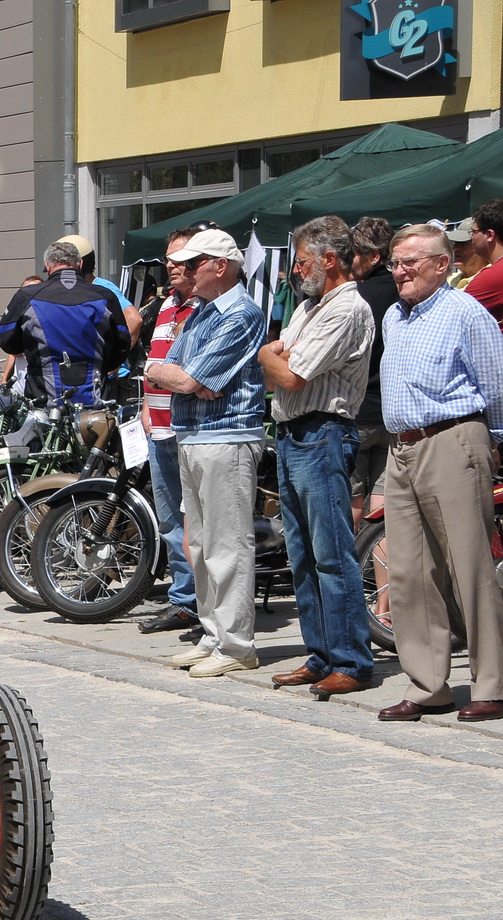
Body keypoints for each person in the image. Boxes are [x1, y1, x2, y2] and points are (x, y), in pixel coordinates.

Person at [373, 224, 503, 723]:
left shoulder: (465, 313)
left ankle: (492, 683)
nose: (399, 272)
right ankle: (429, 685)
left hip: (453, 441)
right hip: (402, 448)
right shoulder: (393, 316)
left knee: (468, 567)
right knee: (408, 572)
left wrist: (488, 444)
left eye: (410, 263)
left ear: (442, 264)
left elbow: (495, 386)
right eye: (395, 263)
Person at [257, 216, 374, 698]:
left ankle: (351, 660)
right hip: (293, 433)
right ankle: (321, 654)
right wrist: (273, 357)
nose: (294, 271)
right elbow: (278, 367)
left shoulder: (345, 308)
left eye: (301, 261)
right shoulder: (311, 306)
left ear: (329, 259)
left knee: (331, 555)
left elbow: (289, 375)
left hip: (324, 432)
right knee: (302, 556)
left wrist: (269, 354)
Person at [146, 228, 267, 679]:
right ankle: (214, 635)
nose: (185, 270)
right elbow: (170, 368)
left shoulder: (240, 315)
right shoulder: (201, 313)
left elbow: (190, 380)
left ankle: (236, 644)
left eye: (195, 263)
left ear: (221, 266)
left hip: (227, 437)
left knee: (227, 545)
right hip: (195, 435)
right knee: (200, 543)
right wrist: (166, 372)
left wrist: (163, 372)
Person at [135, 228, 202, 637]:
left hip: (189, 430)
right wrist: (145, 406)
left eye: (180, 259)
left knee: (195, 521)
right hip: (158, 429)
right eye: (169, 259)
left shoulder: (205, 307)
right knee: (170, 521)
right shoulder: (165, 306)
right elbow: (155, 361)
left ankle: (199, 602)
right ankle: (184, 600)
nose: (172, 266)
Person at [0, 240, 130, 405]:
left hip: (43, 403)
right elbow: (122, 344)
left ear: (47, 266)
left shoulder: (26, 296)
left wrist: (33, 349)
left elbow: (5, 339)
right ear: (80, 264)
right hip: (95, 405)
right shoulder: (105, 296)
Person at [349, 216, 397, 523]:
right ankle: (379, 570)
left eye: (354, 254)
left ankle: (350, 568)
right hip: (392, 414)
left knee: (352, 498)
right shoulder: (408, 293)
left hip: (358, 411)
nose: (349, 262)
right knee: (383, 508)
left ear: (373, 257)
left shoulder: (355, 297)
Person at [462, 198, 503, 327]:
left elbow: (453, 313)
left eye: (474, 232)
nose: (471, 237)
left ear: (490, 235)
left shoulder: (494, 276)